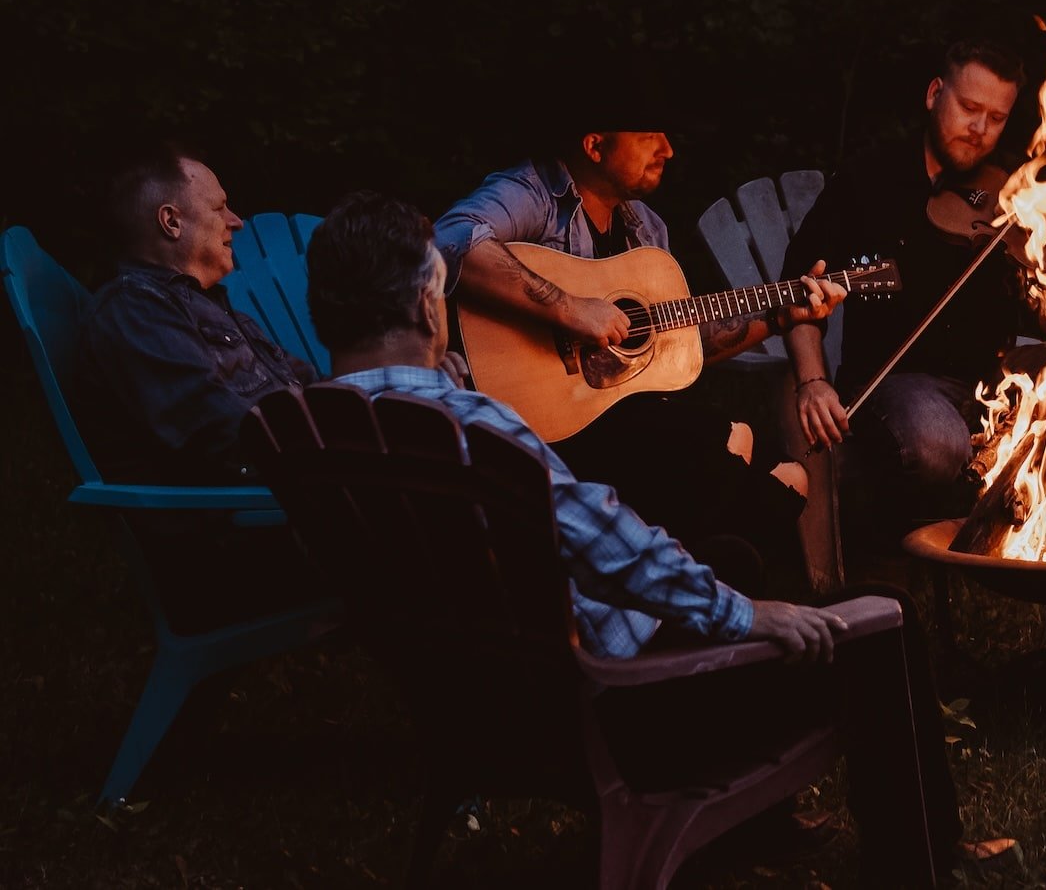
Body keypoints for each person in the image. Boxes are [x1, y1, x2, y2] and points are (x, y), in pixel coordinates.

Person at [305, 192, 963, 881]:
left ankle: (742, 832)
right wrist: (749, 614)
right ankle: (920, 867)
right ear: (424, 306)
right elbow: (604, 538)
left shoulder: (308, 430)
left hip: (473, 707)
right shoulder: (470, 429)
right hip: (617, 714)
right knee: (885, 624)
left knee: (730, 555)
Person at [434, 107, 845, 584]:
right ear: (595, 146)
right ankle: (686, 579)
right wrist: (569, 308)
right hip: (541, 429)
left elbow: (678, 343)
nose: (667, 150)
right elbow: (450, 239)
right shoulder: (533, 193)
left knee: (791, 481)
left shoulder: (645, 229)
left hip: (625, 425)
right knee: (733, 443)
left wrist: (778, 317)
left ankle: (682, 573)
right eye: (650, 135)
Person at [780, 37, 1042, 546]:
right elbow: (799, 286)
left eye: (996, 117)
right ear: (933, 94)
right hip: (896, 383)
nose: (980, 129)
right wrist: (812, 381)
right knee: (936, 439)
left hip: (997, 386)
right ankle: (929, 536)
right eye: (969, 108)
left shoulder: (1015, 191)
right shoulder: (868, 178)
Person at [73, 143, 321, 627]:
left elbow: (308, 386)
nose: (237, 220)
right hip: (243, 550)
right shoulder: (135, 312)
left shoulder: (202, 307)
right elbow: (221, 432)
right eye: (219, 206)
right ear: (171, 221)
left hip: (281, 512)